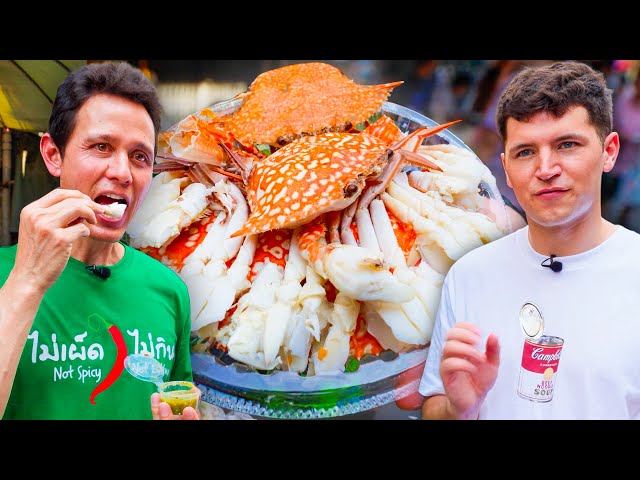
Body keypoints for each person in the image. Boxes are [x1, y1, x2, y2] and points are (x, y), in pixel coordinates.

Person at [418, 61, 640, 419]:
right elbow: (434, 405)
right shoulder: (469, 274)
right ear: (505, 167)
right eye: (526, 152)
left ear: (609, 151)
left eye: (567, 145)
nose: (546, 169)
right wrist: (458, 408)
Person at [0, 61, 198, 420]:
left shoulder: (170, 290)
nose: (122, 173)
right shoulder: (5, 274)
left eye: (139, 157)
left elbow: (175, 399)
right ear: (53, 155)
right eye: (101, 146)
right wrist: (28, 281)